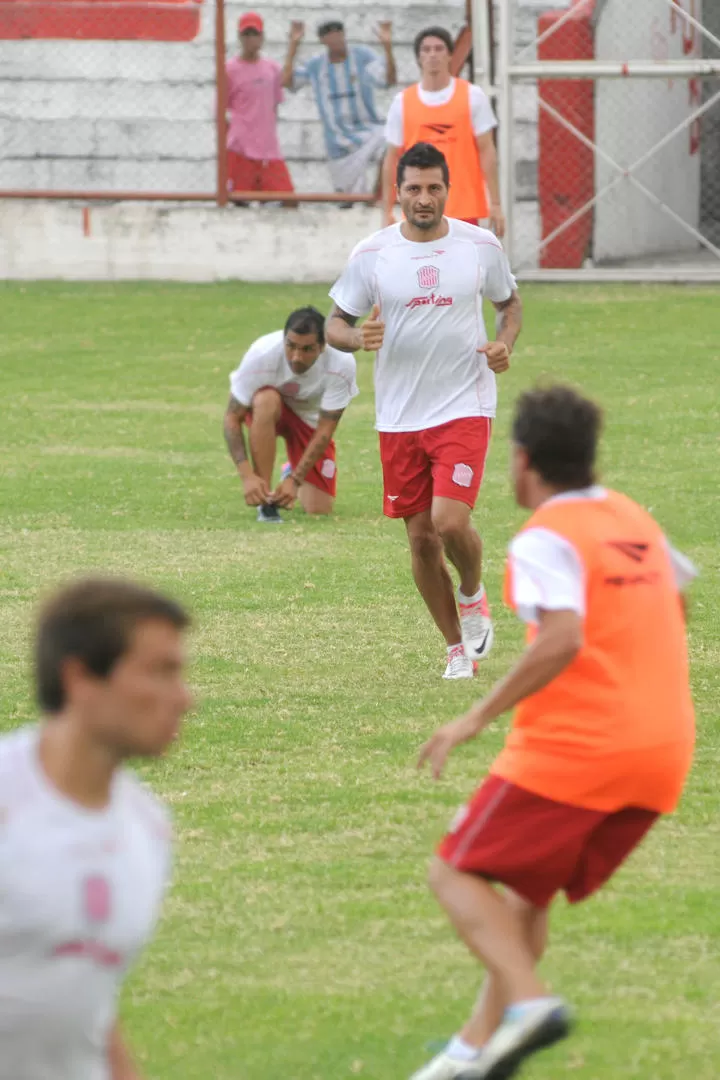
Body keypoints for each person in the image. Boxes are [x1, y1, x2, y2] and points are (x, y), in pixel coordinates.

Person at [413, 384, 697, 1080]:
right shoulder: (632, 518)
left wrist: (475, 716)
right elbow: (680, 596)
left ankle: (530, 1005)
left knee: (453, 871)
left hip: (579, 751)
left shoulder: (544, 537)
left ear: (522, 460)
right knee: (526, 891)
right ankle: (470, 1055)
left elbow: (562, 637)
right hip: (662, 753)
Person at [326, 142, 521, 678]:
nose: (424, 198)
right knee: (420, 539)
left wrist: (505, 342)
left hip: (464, 403)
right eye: (413, 188)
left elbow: (509, 304)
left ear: (447, 190)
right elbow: (334, 323)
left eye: (434, 187)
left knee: (448, 521)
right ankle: (456, 648)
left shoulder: (479, 246)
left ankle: (474, 593)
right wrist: (354, 338)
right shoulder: (372, 254)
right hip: (399, 415)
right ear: (398, 193)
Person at [0, 577, 193, 1080]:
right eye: (160, 673)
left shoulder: (146, 828)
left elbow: (88, 1005)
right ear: (80, 679)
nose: (184, 698)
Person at [224, 305, 358, 522]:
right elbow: (232, 417)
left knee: (319, 508)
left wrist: (295, 480)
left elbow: (326, 429)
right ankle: (266, 501)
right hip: (268, 412)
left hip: (309, 422)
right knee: (266, 399)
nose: (296, 356)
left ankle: (290, 470)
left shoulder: (341, 364)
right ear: (284, 339)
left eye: (307, 349)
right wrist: (247, 475)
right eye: (291, 346)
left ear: (323, 346)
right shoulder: (262, 353)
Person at [382, 26, 503, 233]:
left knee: (462, 265)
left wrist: (496, 204)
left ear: (449, 55)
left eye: (438, 49)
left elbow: (487, 151)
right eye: (426, 50)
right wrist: (386, 211)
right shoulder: (402, 102)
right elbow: (392, 159)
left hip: (464, 208)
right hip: (418, 208)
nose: (432, 55)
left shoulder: (472, 96)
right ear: (418, 57)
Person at [282, 18, 397, 204]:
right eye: (330, 35)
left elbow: (389, 80)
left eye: (338, 33)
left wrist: (388, 47)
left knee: (391, 140)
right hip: (338, 143)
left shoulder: (362, 56)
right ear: (323, 40)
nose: (335, 39)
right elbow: (288, 83)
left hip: (368, 131)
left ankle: (380, 196)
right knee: (348, 201)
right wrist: (293, 46)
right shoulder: (316, 65)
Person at [225, 12, 295, 205]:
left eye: (254, 34)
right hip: (241, 148)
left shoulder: (271, 68)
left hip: (268, 149)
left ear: (262, 37)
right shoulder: (230, 69)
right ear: (240, 38)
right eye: (246, 34)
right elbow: (222, 109)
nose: (250, 39)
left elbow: (275, 104)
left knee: (288, 200)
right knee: (239, 202)